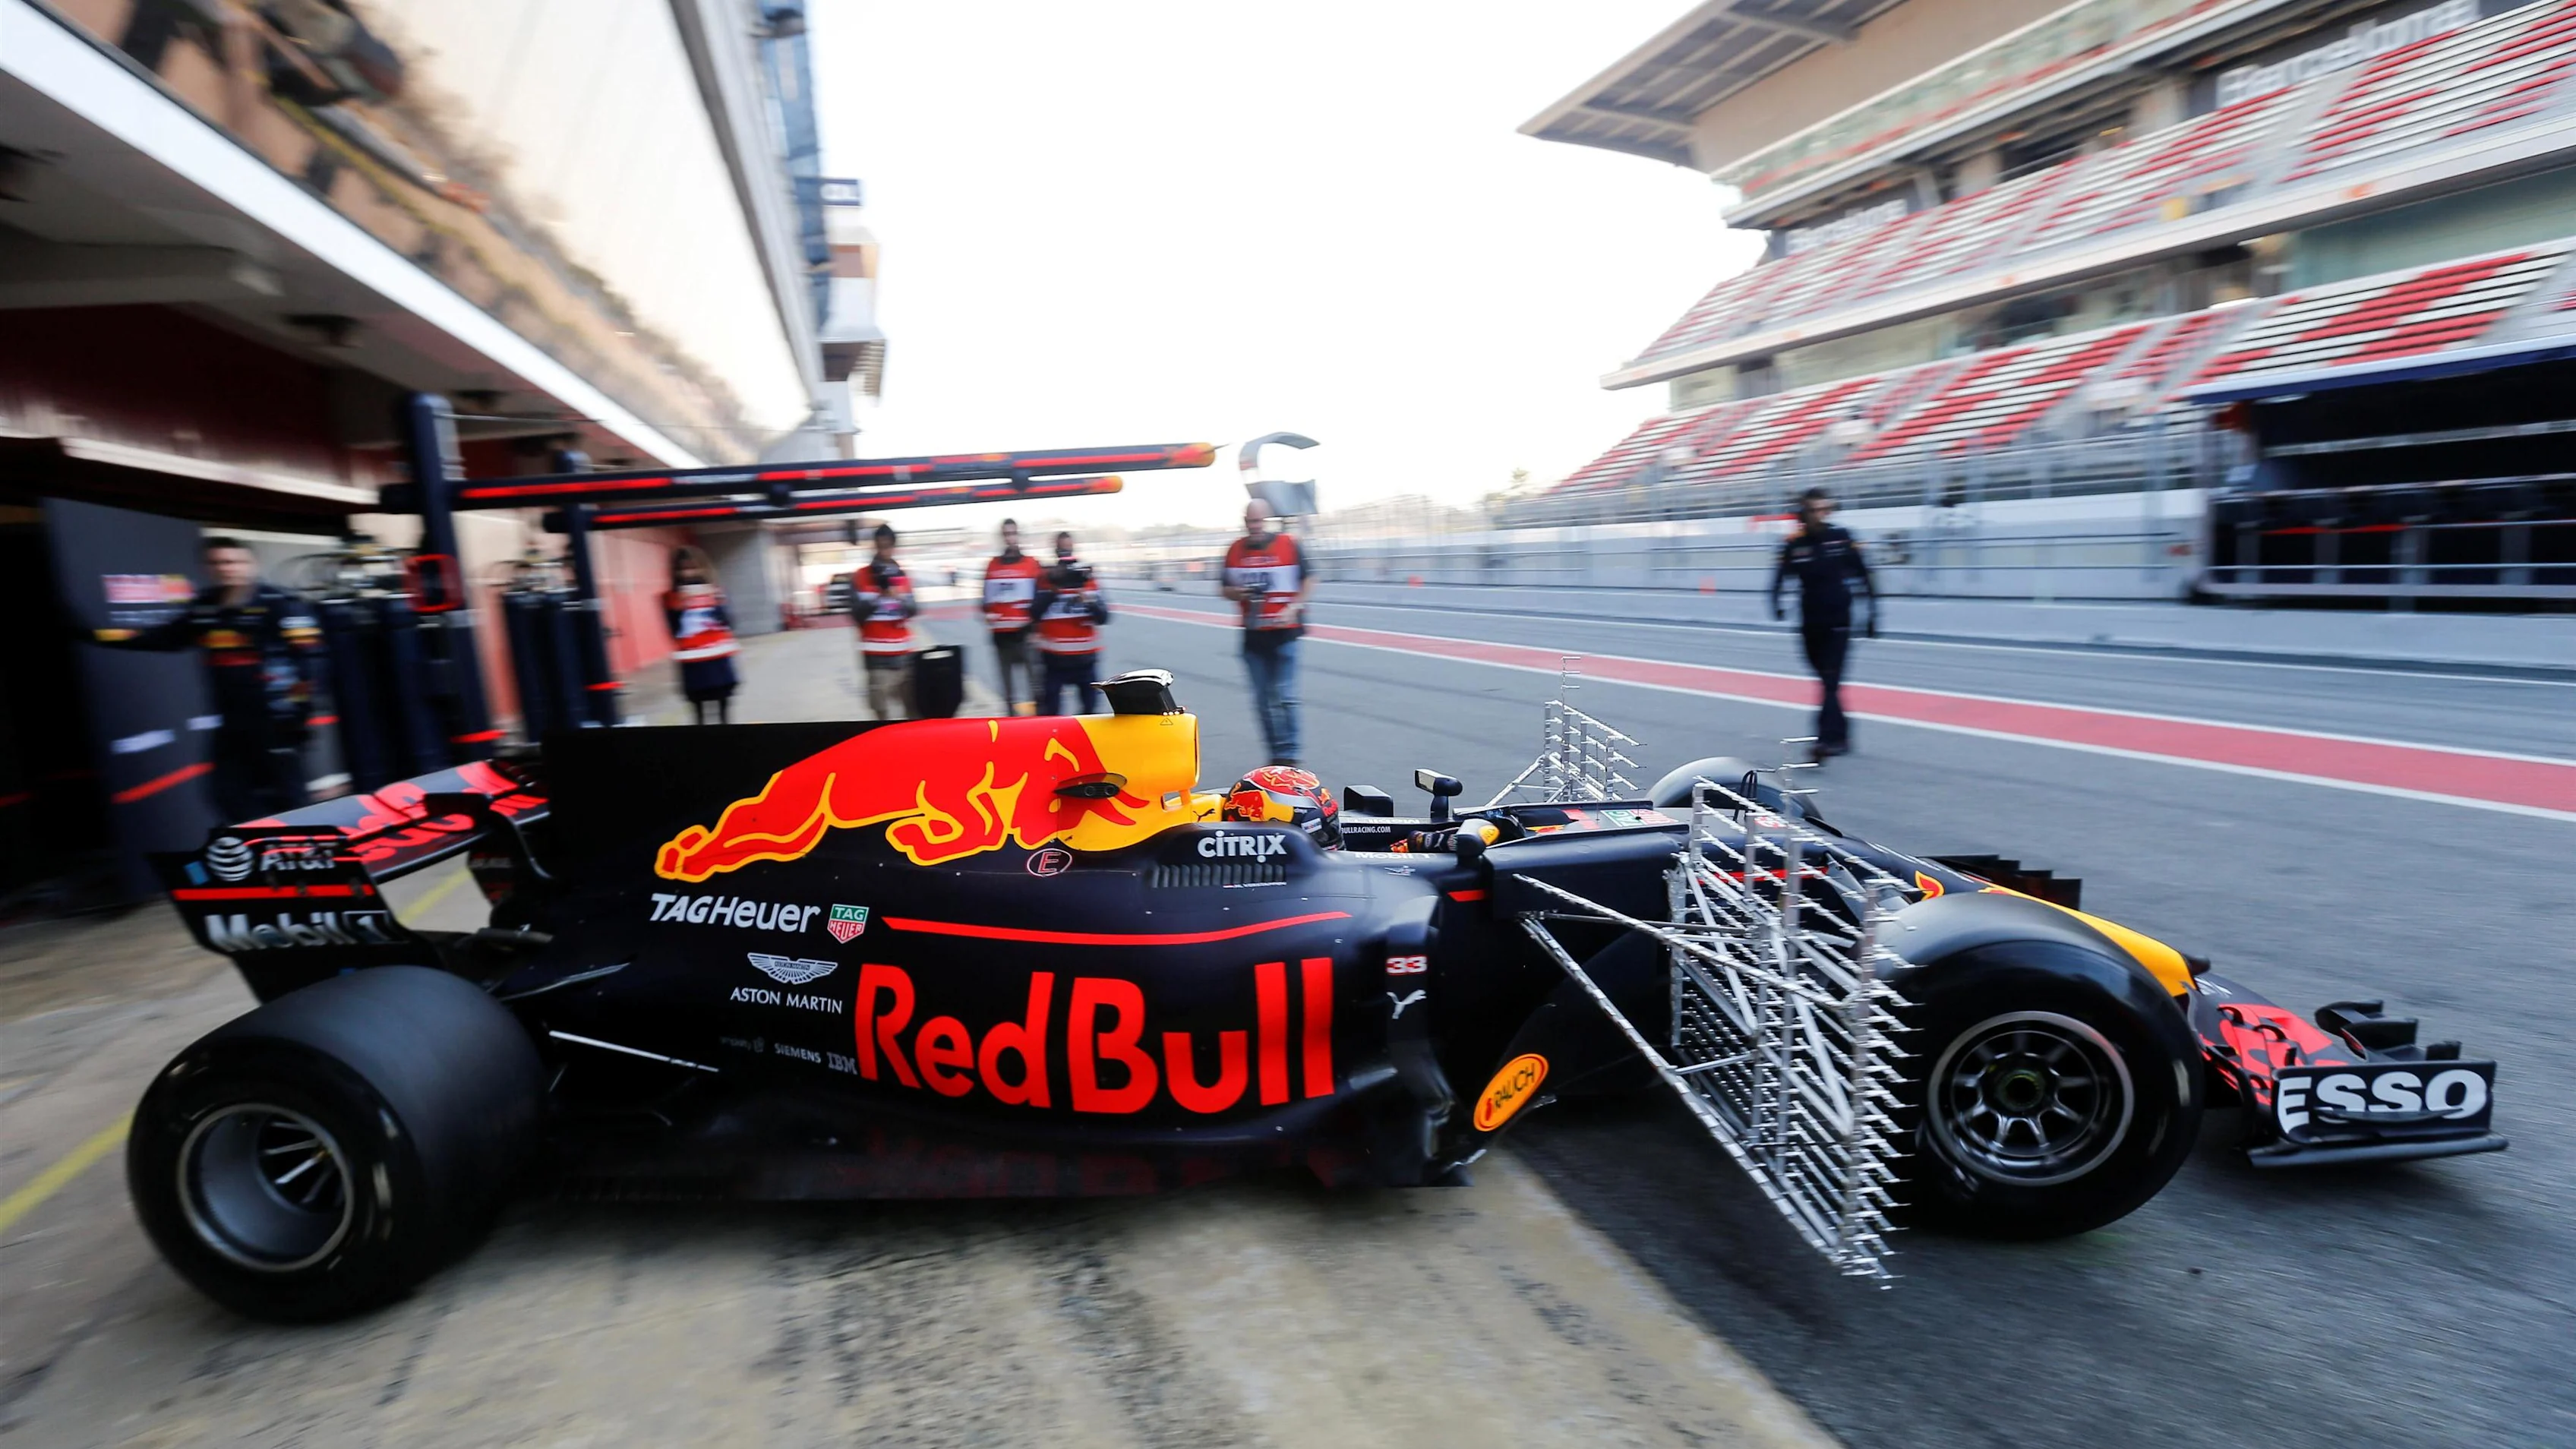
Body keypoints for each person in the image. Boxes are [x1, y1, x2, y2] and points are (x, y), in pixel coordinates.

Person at [90, 535, 321, 821]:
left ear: (251, 564)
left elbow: (310, 662)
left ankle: (307, 856)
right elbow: (162, 637)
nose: (226, 568)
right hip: (232, 723)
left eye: (233, 561)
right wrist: (95, 636)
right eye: (217, 562)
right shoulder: (205, 607)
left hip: (276, 722)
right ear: (206, 567)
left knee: (289, 798)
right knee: (226, 794)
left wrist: (299, 713)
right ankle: (264, 855)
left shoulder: (281, 604)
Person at [1768, 488, 1877, 764]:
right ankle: (1841, 734)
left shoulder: (1841, 538)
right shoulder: (1793, 543)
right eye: (1814, 510)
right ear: (1803, 514)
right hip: (1809, 622)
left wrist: (1873, 614)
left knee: (1829, 681)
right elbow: (1779, 578)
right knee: (1826, 680)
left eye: (1823, 509)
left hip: (1839, 619)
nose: (1820, 514)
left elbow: (1865, 575)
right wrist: (1776, 603)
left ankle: (1825, 741)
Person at [1220, 500, 1309, 766]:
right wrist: (1239, 592)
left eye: (1259, 521)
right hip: (1253, 636)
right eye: (1250, 522)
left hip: (1285, 633)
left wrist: (1295, 607)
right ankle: (1276, 755)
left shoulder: (1289, 544)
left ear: (1268, 520)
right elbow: (1224, 588)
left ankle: (1291, 755)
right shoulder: (1235, 549)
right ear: (1245, 521)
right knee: (1262, 701)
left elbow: (1310, 578)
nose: (1255, 527)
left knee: (1285, 696)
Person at [1032, 531, 1110, 715]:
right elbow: (1034, 613)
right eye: (1062, 549)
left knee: (1090, 712)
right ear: (1056, 551)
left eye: (1069, 548)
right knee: (1051, 713)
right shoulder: (1046, 579)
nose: (1066, 553)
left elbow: (1104, 617)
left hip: (1085, 659)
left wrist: (1089, 601)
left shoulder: (1087, 578)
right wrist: (1053, 592)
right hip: (1054, 660)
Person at [664, 547, 739, 725]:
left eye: (693, 567)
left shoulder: (716, 591)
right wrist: (679, 607)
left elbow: (729, 624)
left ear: (704, 568)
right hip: (693, 662)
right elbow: (674, 632)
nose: (688, 573)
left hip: (718, 658)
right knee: (698, 716)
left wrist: (716, 603)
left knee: (724, 713)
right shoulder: (671, 597)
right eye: (683, 569)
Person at [851, 522, 917, 721]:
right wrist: (879, 596)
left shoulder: (902, 575)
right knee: (881, 714)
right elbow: (856, 615)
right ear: (875, 546)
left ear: (893, 546)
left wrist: (899, 598)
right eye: (880, 546)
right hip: (876, 658)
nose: (884, 550)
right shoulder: (861, 576)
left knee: (913, 711)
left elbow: (914, 610)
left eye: (888, 546)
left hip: (905, 656)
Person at [980, 518, 1043, 715]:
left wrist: (1035, 629)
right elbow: (984, 602)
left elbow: (1041, 601)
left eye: (1013, 533)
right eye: (1006, 534)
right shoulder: (992, 566)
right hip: (1002, 639)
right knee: (1008, 694)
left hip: (1026, 637)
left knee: (1037, 690)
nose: (1010, 538)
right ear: (1002, 537)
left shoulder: (1032, 564)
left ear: (1018, 535)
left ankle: (1042, 727)